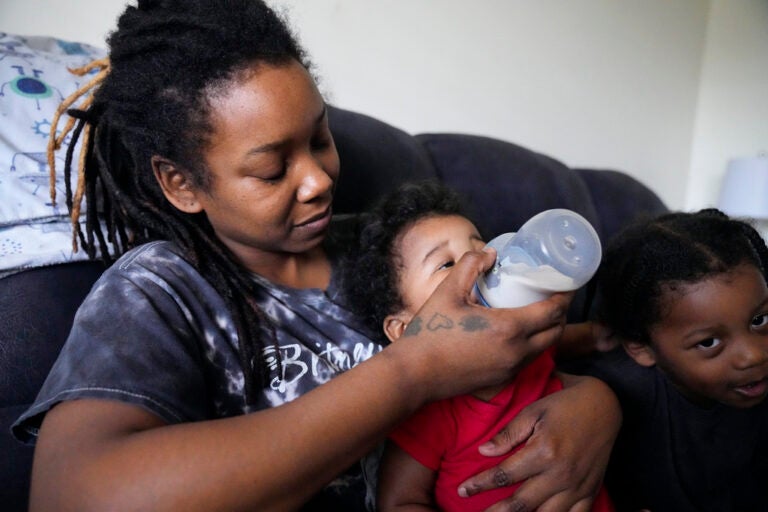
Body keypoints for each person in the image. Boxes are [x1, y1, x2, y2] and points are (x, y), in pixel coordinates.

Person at [11, 1, 622, 510]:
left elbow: (524, 348)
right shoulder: (161, 290)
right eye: (273, 169)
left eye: (320, 139)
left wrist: (599, 405)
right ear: (182, 184)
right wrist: (413, 369)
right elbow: (73, 495)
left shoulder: (392, 246)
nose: (318, 180)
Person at [343, 180, 615, 512]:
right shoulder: (430, 411)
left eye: (482, 250)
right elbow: (400, 502)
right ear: (404, 329)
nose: (480, 265)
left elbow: (563, 339)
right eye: (446, 264)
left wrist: (595, 335)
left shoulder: (528, 349)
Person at [576, 208, 768, 512]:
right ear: (642, 349)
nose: (755, 355)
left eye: (759, 320)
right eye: (709, 342)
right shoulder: (621, 391)